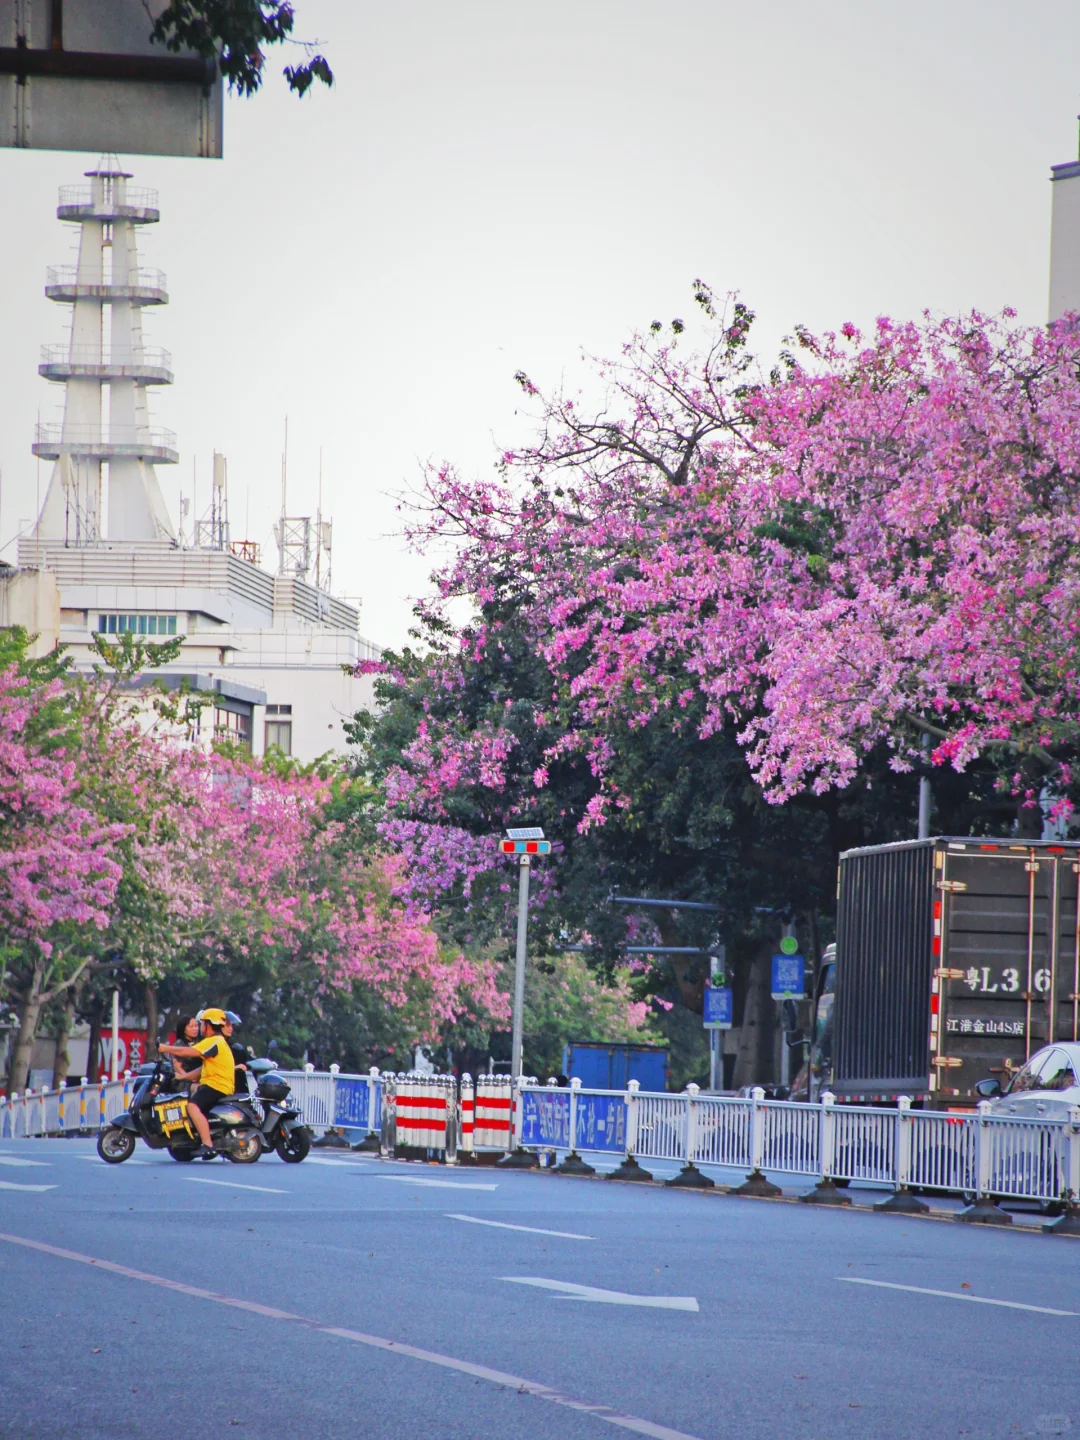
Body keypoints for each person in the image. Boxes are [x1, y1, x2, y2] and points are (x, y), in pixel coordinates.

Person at [159, 1008, 235, 1160]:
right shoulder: (218, 1042)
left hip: (216, 1085)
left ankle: (207, 1145)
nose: (199, 1028)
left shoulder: (214, 1041)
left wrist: (164, 1048)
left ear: (209, 1025)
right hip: (215, 1084)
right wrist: (183, 1077)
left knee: (192, 1106)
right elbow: (202, 1069)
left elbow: (189, 1052)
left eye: (201, 1024)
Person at [169, 1016, 201, 1092]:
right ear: (183, 1029)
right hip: (183, 1081)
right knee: (200, 1090)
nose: (195, 1029)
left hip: (200, 1078)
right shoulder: (179, 1044)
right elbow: (177, 1067)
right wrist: (190, 1078)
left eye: (196, 1026)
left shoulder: (200, 1042)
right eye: (191, 1026)